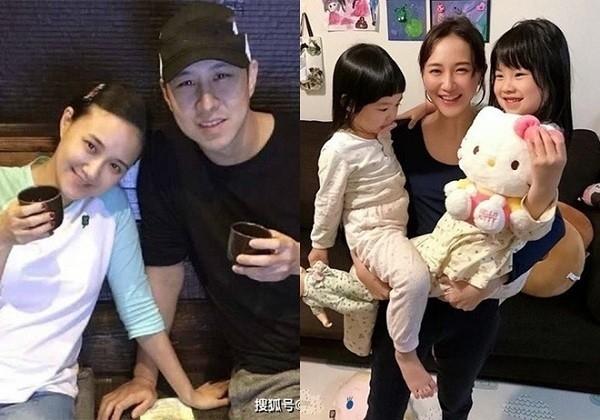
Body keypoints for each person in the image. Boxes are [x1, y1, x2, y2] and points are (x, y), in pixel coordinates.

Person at [357, 17, 567, 419]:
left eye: (462, 70)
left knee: (456, 398)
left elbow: (550, 227)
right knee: (383, 403)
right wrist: (362, 261)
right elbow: (362, 203)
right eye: (435, 70)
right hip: (412, 292)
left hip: (475, 300)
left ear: (479, 75)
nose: (448, 84)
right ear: (422, 74)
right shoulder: (399, 135)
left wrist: (490, 284)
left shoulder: (510, 141)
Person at [99, 3, 300, 420]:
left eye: (222, 76)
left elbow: (373, 263)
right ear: (167, 96)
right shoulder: (167, 161)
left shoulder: (307, 149)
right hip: (272, 383)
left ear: (252, 77)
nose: (206, 103)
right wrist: (145, 376)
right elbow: (164, 275)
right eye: (187, 83)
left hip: (345, 356)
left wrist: (300, 262)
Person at [0, 83, 229, 420]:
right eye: (91, 146)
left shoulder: (111, 209)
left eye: (115, 166)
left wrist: (188, 392)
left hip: (40, 392)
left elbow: (138, 307)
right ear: (66, 122)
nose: (93, 171)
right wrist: (4, 237)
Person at [303, 43, 435, 398]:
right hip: (372, 233)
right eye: (383, 108)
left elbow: (400, 119)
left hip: (394, 230)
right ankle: (405, 352)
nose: (392, 115)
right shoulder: (339, 150)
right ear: (349, 104)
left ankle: (369, 334)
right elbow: (327, 200)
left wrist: (426, 106)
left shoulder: (380, 130)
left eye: (396, 104)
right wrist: (320, 246)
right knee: (414, 278)